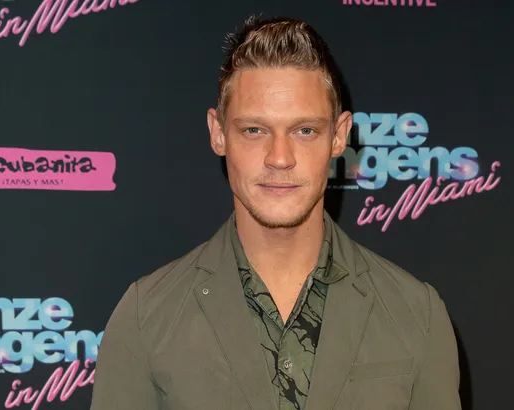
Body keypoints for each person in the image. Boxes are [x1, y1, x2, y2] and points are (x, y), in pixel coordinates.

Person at [90, 15, 461, 410]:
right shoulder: (146, 316)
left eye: (305, 131)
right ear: (218, 133)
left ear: (339, 136)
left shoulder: (416, 314)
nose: (279, 158)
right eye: (254, 130)